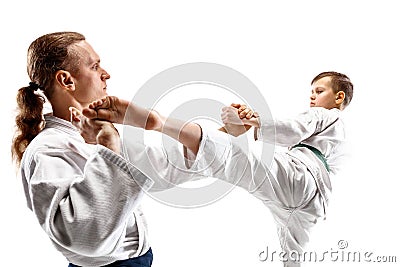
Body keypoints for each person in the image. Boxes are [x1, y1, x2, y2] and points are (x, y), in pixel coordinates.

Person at [81, 71, 353, 267]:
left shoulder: (327, 115)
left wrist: (256, 121)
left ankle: (161, 123)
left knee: (228, 156)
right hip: (311, 207)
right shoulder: (341, 137)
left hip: (298, 179)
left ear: (338, 97)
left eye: (319, 91)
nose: (312, 97)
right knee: (293, 260)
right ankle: (227, 134)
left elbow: (294, 129)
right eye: (312, 92)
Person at [11, 31, 200, 267]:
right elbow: (85, 236)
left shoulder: (89, 135)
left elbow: (173, 165)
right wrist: (109, 143)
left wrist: (158, 123)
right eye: (95, 66)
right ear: (67, 80)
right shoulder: (48, 150)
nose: (106, 74)